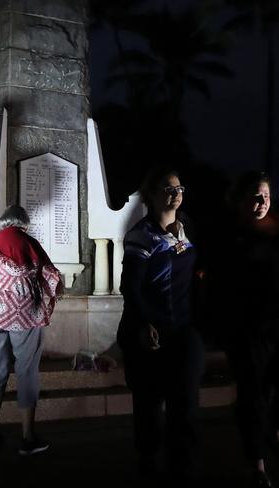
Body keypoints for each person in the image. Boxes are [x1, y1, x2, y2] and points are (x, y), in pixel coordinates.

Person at [117, 167, 204, 480]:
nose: (176, 193)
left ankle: (183, 469)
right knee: (150, 407)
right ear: (151, 195)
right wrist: (144, 322)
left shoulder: (188, 228)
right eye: (168, 189)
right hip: (149, 334)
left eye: (179, 188)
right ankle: (150, 465)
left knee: (186, 407)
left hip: (183, 330)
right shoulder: (142, 235)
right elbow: (131, 285)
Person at [0, 205, 62, 456]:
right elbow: (51, 277)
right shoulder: (28, 241)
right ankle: (27, 438)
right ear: (24, 223)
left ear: (3, 222)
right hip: (24, 316)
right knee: (26, 370)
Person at [222, 171, 279, 488]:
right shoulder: (233, 236)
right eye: (256, 196)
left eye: (267, 196)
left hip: (276, 326)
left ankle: (272, 432)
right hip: (248, 330)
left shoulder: (276, 230)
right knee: (253, 396)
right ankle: (255, 463)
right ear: (242, 200)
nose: (262, 202)